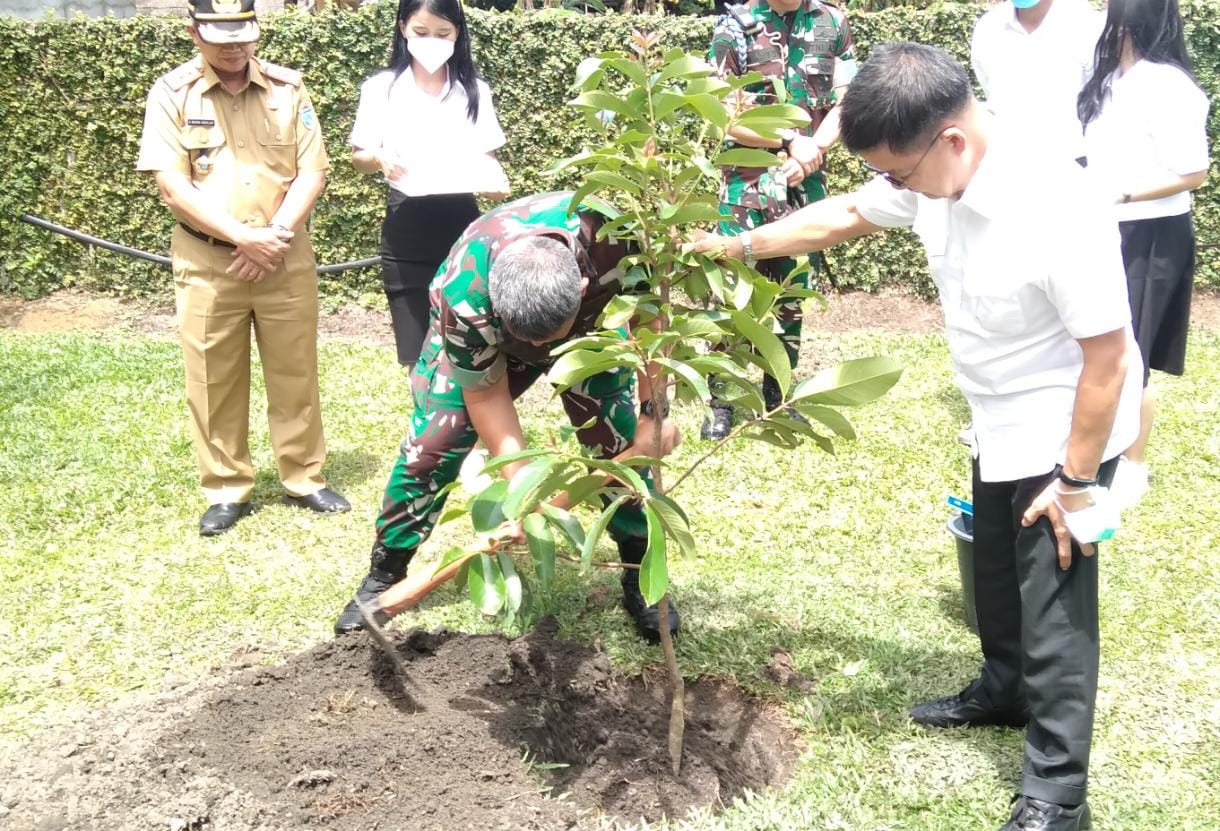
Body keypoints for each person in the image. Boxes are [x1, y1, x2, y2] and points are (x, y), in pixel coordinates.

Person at [689, 43, 1143, 830]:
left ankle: (1057, 793)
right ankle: (1004, 689)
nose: (893, 186)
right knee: (997, 580)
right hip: (996, 414)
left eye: (897, 171)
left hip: (1066, 422)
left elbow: (1107, 359)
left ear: (953, 140)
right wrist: (739, 246)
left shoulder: (1058, 207)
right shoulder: (932, 177)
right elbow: (850, 213)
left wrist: (1075, 481)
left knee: (1056, 604)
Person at [332, 191, 682, 643]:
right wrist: (521, 495)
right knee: (431, 448)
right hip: (486, 337)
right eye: (528, 341)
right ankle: (386, 572)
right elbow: (486, 397)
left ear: (579, 287)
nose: (537, 354)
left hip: (592, 329)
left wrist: (655, 410)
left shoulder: (620, 241)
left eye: (544, 341)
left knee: (616, 442)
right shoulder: (466, 293)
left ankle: (640, 569)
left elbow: (652, 319)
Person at [137, 0, 349, 536]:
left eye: (243, 34)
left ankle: (304, 476)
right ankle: (227, 487)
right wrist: (244, 239)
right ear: (193, 32)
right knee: (212, 377)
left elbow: (312, 173)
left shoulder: (288, 89)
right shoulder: (172, 93)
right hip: (208, 261)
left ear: (256, 31)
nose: (234, 46)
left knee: (294, 370)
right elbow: (171, 185)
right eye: (220, 36)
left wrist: (270, 239)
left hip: (283, 255)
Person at [700, 0, 858, 439]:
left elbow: (847, 101)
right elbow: (722, 114)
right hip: (745, 186)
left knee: (792, 291)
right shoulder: (734, 26)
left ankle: (778, 395)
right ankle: (721, 401)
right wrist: (790, 140)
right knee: (732, 292)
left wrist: (814, 151)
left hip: (804, 183)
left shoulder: (833, 22)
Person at [1079, 0, 1210, 508]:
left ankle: (1133, 465)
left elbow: (1193, 172)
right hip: (1101, 227)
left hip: (1151, 235)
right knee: (1093, 340)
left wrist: (1122, 194)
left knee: (1133, 350)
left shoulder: (1169, 84)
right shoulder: (1103, 78)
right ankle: (1097, 450)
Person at [350, 0, 509, 370]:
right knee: (417, 352)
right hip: (406, 227)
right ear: (404, 27)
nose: (432, 41)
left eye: (443, 34)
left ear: (457, 35)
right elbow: (359, 157)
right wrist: (378, 158)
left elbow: (487, 159)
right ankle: (427, 424)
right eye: (421, 32)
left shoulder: (474, 91)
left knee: (473, 343)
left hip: (463, 228)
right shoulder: (381, 89)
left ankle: (472, 425)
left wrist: (497, 182)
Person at [970, 0, 1103, 163]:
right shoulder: (989, 28)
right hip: (1011, 162)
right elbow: (990, 93)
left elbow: (1100, 100)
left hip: (1075, 161)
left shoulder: (1085, 23)